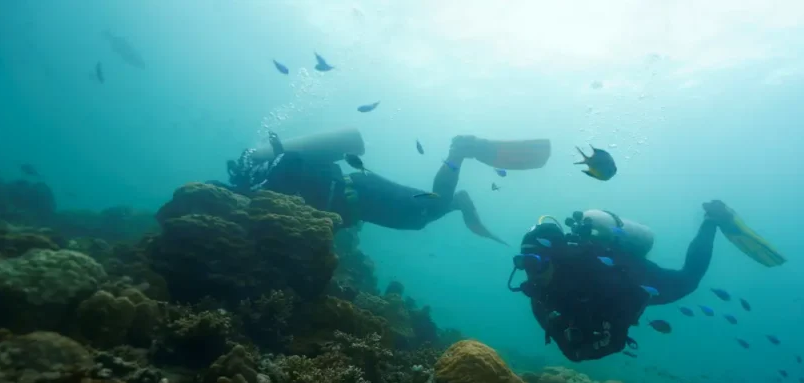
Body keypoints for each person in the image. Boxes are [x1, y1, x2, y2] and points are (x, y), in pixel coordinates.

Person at [508, 201, 785, 362]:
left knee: (687, 281)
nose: (529, 273)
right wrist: (562, 331)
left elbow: (614, 340)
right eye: (523, 263)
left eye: (535, 263)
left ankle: (711, 221)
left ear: (555, 258)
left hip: (629, 278)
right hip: (602, 294)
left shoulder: (595, 270)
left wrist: (594, 336)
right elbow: (561, 333)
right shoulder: (540, 292)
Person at [213, 129, 551, 245]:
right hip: (360, 192)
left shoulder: (267, 185)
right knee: (423, 215)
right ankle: (456, 202)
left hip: (361, 194)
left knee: (425, 211)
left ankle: (459, 152)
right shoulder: (276, 171)